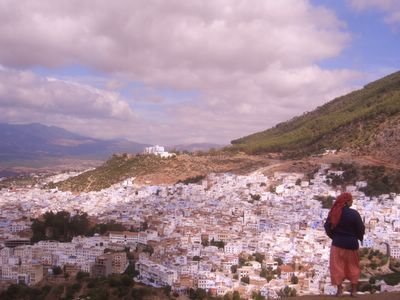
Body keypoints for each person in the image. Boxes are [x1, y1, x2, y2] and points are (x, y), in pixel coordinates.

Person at [324, 192, 365, 297]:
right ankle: (354, 291)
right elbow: (360, 228)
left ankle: (339, 291)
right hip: (351, 244)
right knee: (353, 266)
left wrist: (334, 236)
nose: (352, 202)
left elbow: (327, 226)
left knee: (337, 267)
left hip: (337, 244)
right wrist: (358, 237)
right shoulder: (354, 214)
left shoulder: (334, 213)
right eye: (351, 200)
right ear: (347, 202)